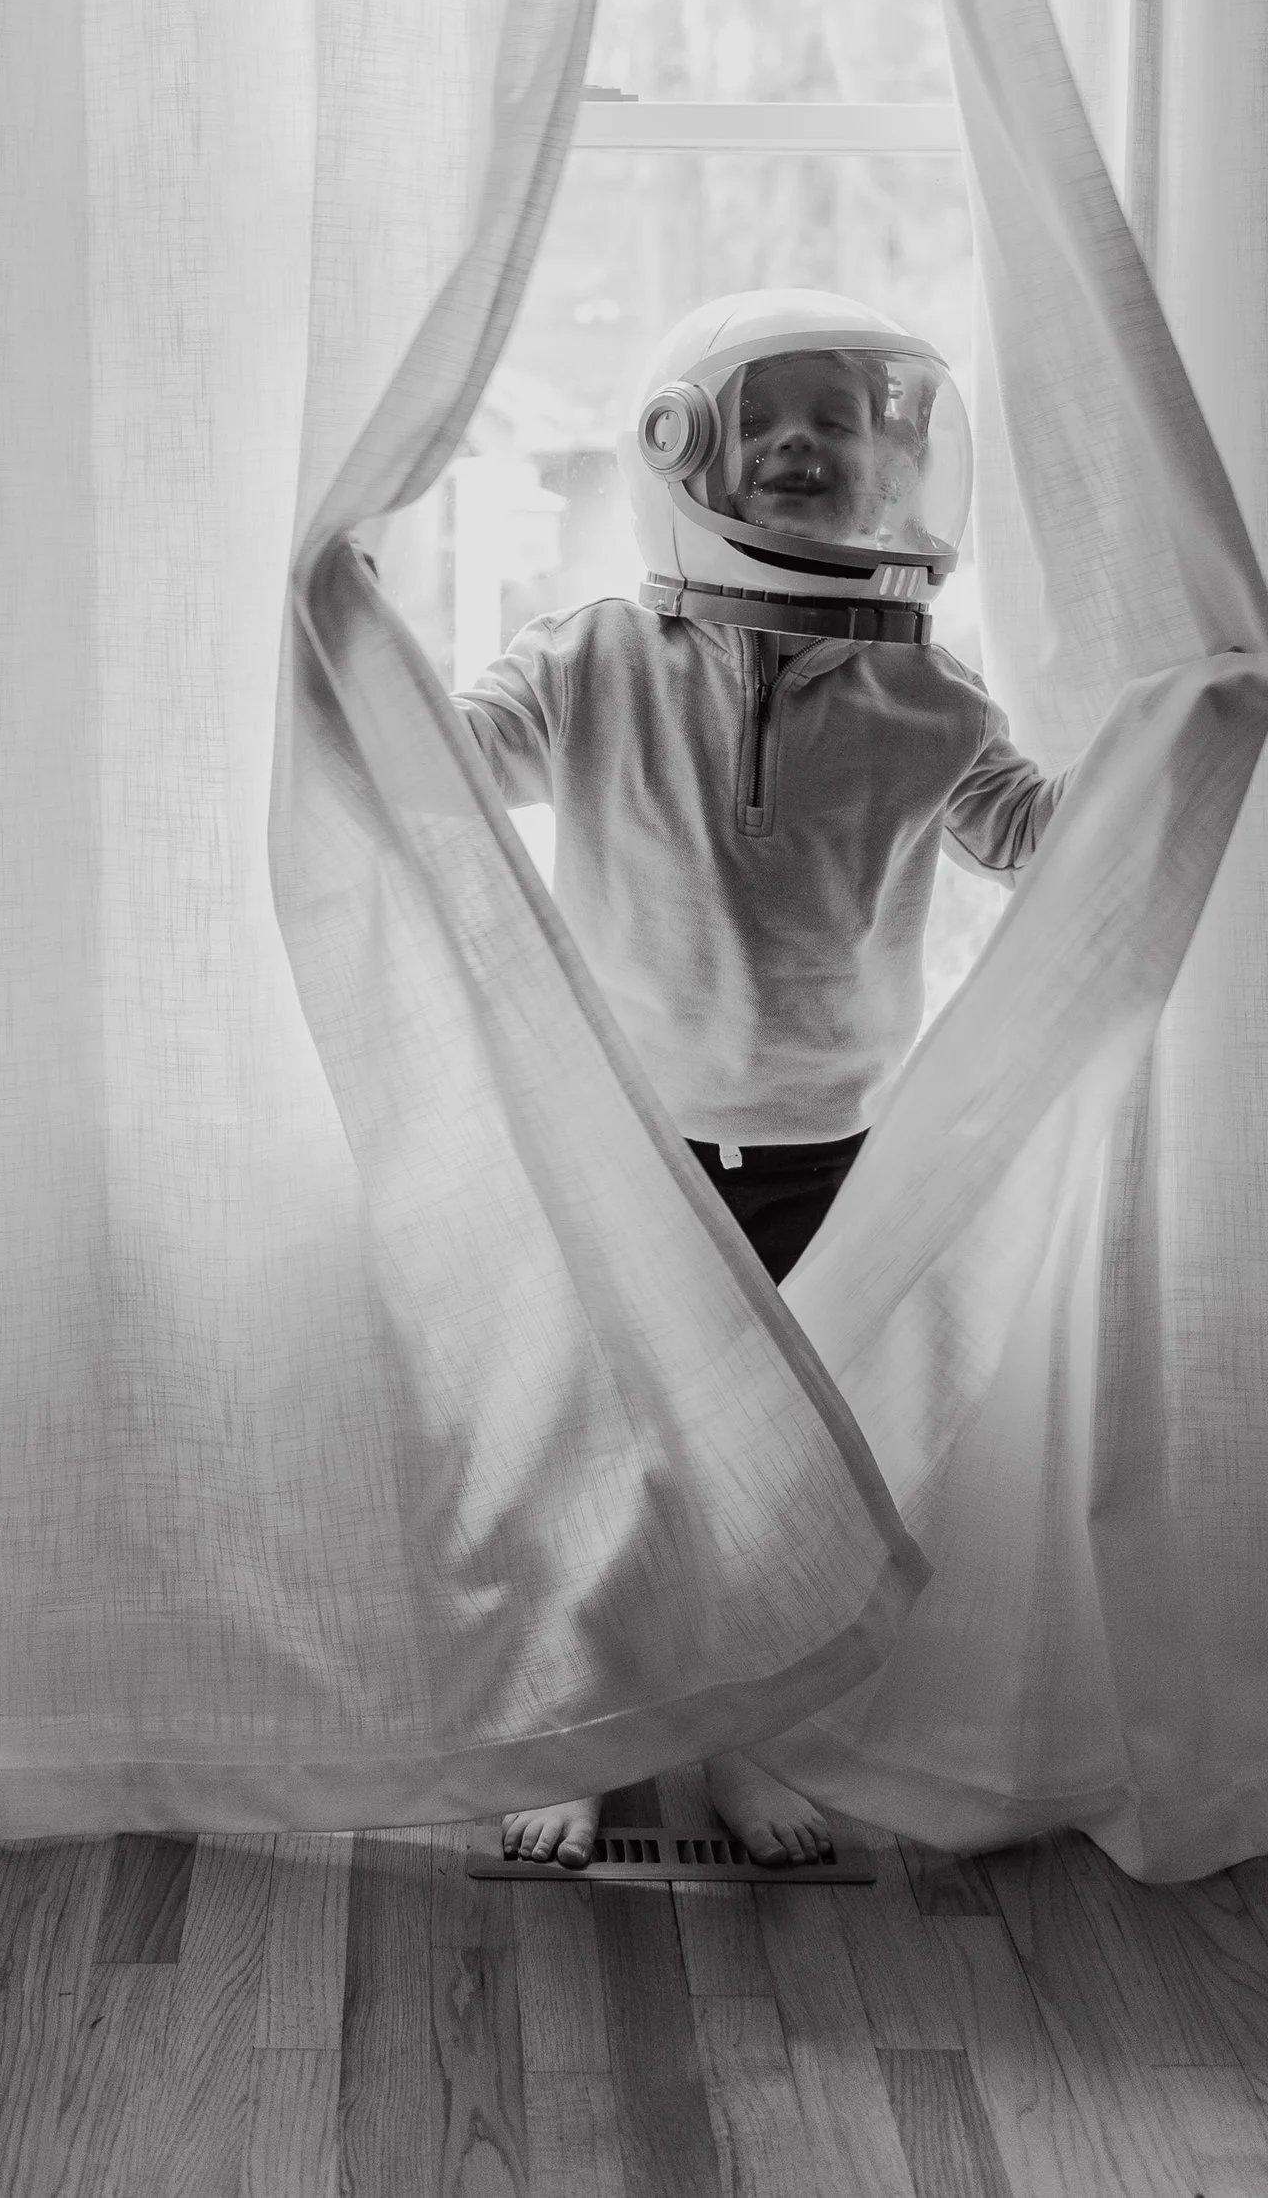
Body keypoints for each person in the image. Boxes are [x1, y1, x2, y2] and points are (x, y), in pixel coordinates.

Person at [456, 286, 1071, 1870]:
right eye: (766, 417)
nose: (806, 442)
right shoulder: (592, 664)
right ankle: (595, 1734)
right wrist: (344, 653)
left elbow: (1045, 847)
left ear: (896, 471)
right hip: (633, 1145)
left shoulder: (929, 699)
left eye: (844, 419)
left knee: (776, 1474)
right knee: (616, 1455)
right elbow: (448, 769)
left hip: (827, 1151)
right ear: (684, 456)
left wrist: (1174, 754)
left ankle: (737, 1745)